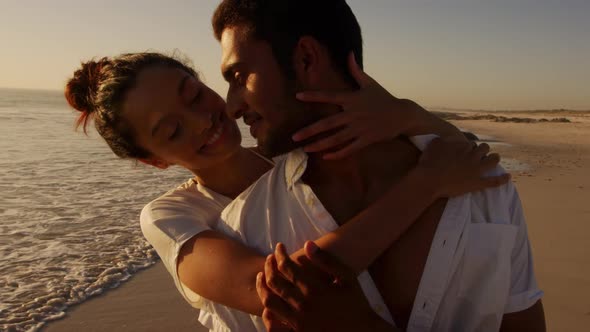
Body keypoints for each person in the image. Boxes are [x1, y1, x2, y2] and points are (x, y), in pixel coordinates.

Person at [65, 51, 504, 332]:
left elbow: (463, 157)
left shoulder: (291, 153)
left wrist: (405, 114)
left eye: (194, 95)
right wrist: (426, 184)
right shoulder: (172, 215)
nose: (202, 120)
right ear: (153, 159)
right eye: (173, 129)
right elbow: (273, 290)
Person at [210, 0, 546, 331]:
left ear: (306, 58)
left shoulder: (482, 185)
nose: (231, 107)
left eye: (239, 76)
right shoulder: (245, 227)